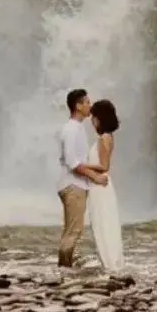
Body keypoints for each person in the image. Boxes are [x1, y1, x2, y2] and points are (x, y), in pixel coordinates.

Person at [57, 88, 108, 267]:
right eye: (87, 102)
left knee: (72, 230)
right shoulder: (71, 130)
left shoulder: (77, 128)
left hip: (76, 185)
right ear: (78, 106)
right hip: (73, 185)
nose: (90, 105)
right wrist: (95, 177)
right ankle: (64, 269)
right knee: (74, 231)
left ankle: (65, 266)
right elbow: (73, 163)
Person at [88, 99, 125, 273]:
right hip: (100, 184)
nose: (92, 120)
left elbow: (104, 165)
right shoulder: (107, 136)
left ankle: (110, 263)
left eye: (94, 117)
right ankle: (111, 262)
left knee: (102, 223)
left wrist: (81, 166)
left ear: (100, 118)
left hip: (100, 185)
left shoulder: (104, 138)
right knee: (104, 222)